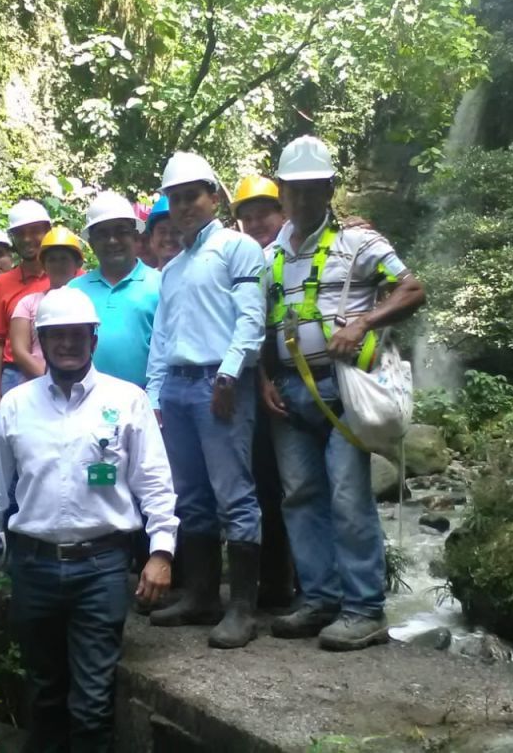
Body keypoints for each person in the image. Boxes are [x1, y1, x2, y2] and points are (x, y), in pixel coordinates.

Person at [0, 288, 178, 752]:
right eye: (56, 335)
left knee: (92, 702)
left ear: (93, 339)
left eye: (77, 335)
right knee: (43, 694)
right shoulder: (17, 405)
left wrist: (161, 552)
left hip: (102, 567)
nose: (67, 344)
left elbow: (155, 482)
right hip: (34, 566)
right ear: (40, 341)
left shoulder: (127, 400)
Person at [261, 135, 425, 650]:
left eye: (314, 189)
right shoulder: (269, 255)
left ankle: (364, 609)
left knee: (349, 496)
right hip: (288, 390)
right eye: (295, 189)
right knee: (299, 496)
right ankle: (319, 598)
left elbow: (412, 288)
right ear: (282, 191)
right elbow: (259, 323)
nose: (303, 198)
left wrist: (363, 322)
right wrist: (264, 377)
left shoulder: (359, 242)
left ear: (330, 189)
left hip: (343, 386)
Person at [145, 152, 267, 649]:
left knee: (233, 493)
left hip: (220, 383)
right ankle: (200, 596)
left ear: (213, 197)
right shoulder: (172, 269)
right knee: (189, 496)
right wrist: (154, 394)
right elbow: (162, 336)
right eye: (175, 199)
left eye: (191, 196)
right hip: (177, 387)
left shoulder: (238, 247)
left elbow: (252, 318)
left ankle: (243, 609)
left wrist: (230, 373)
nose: (183, 206)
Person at [230, 176, 295, 608]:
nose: (255, 224)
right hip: (255, 384)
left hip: (294, 383)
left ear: (282, 213)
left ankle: (301, 583)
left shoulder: (293, 254)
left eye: (263, 215)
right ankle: (273, 583)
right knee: (263, 485)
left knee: (292, 486)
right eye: (247, 217)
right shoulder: (241, 259)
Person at [70, 191, 161, 389]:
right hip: (84, 400)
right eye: (103, 234)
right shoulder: (73, 292)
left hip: (147, 400)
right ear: (91, 243)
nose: (112, 241)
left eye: (121, 232)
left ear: (135, 236)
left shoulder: (160, 285)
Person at [0, 200, 53, 418]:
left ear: (48, 231)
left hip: (64, 368)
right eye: (20, 233)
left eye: (34, 231)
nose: (27, 239)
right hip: (15, 374)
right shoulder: (2, 283)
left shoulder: (71, 275)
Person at [10, 226, 84, 380]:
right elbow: (19, 350)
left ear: (77, 263)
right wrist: (52, 380)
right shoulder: (27, 303)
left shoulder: (87, 300)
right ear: (44, 265)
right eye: (52, 260)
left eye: (64, 259)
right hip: (38, 383)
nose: (58, 265)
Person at [231, 175, 285, 249]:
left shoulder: (291, 250)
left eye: (261, 215)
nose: (254, 225)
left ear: (283, 214)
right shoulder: (242, 253)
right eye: (247, 219)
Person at [144, 195, 181, 270]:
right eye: (162, 232)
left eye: (176, 231)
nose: (168, 238)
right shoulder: (146, 277)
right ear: (151, 239)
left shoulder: (200, 275)